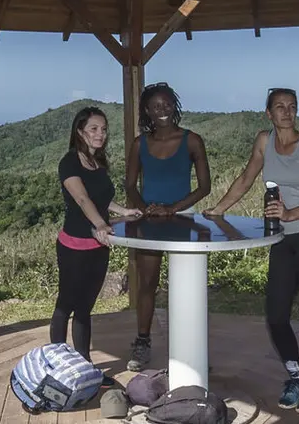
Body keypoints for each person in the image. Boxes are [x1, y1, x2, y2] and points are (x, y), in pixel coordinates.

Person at [207, 87, 299, 413]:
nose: (287, 112)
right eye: (279, 106)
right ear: (268, 113)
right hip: (283, 240)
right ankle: (296, 376)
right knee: (276, 315)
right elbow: (246, 177)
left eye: (292, 106)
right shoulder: (264, 142)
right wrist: (218, 210)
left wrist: (291, 214)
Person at [122, 82, 210, 371]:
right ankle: (143, 342)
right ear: (147, 110)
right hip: (148, 222)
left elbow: (205, 187)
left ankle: (192, 348)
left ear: (175, 105)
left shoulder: (192, 140)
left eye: (167, 104)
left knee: (187, 287)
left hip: (183, 218)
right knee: (147, 284)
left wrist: (172, 209)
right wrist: (144, 210)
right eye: (156, 106)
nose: (163, 110)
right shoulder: (140, 144)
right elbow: (130, 185)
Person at [54, 106, 141, 365]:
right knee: (65, 305)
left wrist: (124, 211)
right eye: (93, 128)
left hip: (99, 247)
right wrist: (101, 225)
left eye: (103, 129)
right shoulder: (69, 162)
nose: (100, 134)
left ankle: (84, 363)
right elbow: (82, 198)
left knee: (84, 309)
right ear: (80, 131)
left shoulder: (97, 162)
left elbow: (103, 198)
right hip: (74, 246)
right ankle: (56, 363)